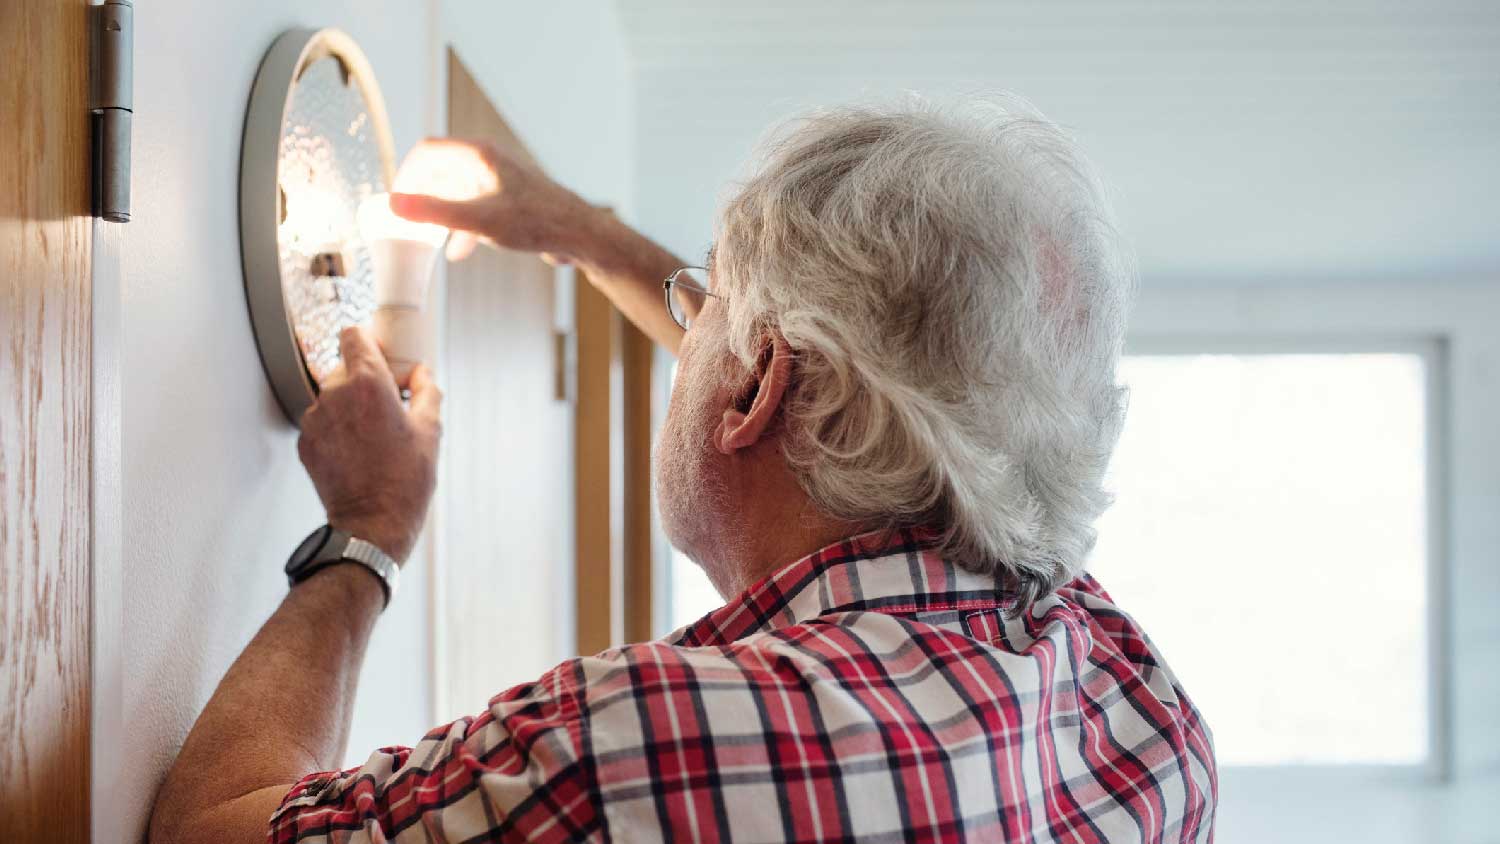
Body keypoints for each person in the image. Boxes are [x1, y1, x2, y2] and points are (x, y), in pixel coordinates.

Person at [150, 96, 1216, 843]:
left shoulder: (638, 744)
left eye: (703, 303)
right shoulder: (1140, 706)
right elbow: (871, 395)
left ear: (755, 385)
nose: (687, 324)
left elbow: (208, 832)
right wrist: (587, 234)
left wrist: (367, 529)